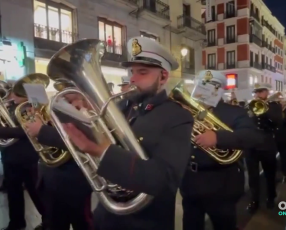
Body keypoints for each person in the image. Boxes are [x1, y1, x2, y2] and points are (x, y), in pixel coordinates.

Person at [60, 37, 194, 230]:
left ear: (163, 77)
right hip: (105, 216)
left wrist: (104, 151)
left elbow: (165, 180)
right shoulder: (122, 105)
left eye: (142, 72)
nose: (132, 78)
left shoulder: (177, 116)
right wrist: (81, 115)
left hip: (144, 222)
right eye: (132, 71)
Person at [180, 70, 264, 230]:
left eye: (208, 86)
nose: (201, 90)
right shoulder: (184, 112)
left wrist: (218, 138)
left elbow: (253, 136)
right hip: (190, 183)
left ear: (218, 89)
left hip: (222, 185)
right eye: (200, 85)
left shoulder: (235, 112)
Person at [25, 93, 93, 230]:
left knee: (82, 223)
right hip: (50, 176)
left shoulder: (90, 111)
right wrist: (36, 118)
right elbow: (39, 136)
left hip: (75, 180)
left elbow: (85, 141)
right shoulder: (57, 106)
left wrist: (42, 130)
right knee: (55, 222)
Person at [0, 90, 46, 230]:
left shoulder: (33, 108)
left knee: (36, 192)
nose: (11, 97)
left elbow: (28, 130)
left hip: (29, 157)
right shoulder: (10, 108)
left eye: (15, 94)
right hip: (10, 156)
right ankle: (16, 223)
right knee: (13, 193)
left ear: (26, 95)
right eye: (12, 94)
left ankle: (48, 222)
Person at [245, 83, 283, 213]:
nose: (258, 94)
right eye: (256, 91)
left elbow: (278, 122)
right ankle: (254, 200)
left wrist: (265, 111)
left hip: (267, 143)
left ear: (267, 92)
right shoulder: (250, 105)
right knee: (253, 175)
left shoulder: (274, 106)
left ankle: (271, 197)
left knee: (269, 173)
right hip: (251, 145)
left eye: (261, 91)